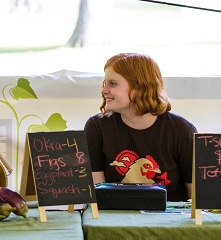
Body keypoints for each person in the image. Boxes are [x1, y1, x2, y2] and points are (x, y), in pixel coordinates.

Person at [84, 53, 197, 202]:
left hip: (170, 221)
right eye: (104, 83)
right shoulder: (96, 127)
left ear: (139, 86)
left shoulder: (182, 131)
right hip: (114, 220)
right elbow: (98, 198)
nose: (104, 90)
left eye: (113, 83)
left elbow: (196, 200)